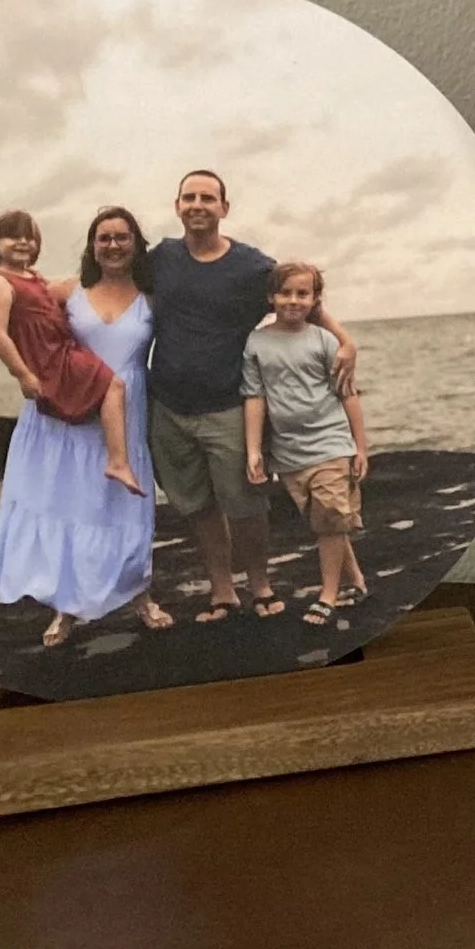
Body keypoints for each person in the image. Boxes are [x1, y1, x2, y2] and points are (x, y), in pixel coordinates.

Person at [146, 169, 353, 622]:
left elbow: (301, 298)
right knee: (197, 504)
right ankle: (223, 591)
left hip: (228, 405)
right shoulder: (161, 258)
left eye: (207, 197)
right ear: (177, 205)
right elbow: (114, 281)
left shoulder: (251, 267)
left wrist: (344, 341)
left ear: (224, 207)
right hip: (168, 405)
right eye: (189, 197)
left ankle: (260, 584)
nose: (197, 204)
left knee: (244, 504)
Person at [0, 208, 168, 646]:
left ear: (136, 244)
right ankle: (64, 609)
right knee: (71, 505)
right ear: (92, 246)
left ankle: (140, 595)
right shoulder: (64, 290)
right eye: (103, 238)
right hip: (70, 413)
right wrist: (27, 375)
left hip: (128, 407)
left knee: (125, 506)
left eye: (122, 237)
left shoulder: (153, 298)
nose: (113, 246)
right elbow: (23, 324)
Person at [0, 210, 142, 499]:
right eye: (13, 237)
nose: (22, 243)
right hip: (51, 358)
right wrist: (23, 374)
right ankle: (118, 462)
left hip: (62, 347)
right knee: (113, 386)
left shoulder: (33, 277)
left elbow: (53, 302)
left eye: (29, 238)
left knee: (107, 393)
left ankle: (113, 461)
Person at [243, 262, 372, 628]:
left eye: (303, 294)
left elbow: (349, 396)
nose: (294, 300)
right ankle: (357, 582)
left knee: (329, 522)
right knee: (325, 520)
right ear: (271, 297)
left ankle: (327, 596)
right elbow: (255, 397)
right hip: (288, 454)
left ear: (316, 300)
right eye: (286, 293)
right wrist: (255, 451)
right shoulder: (257, 342)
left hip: (330, 444)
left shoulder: (325, 340)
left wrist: (360, 448)